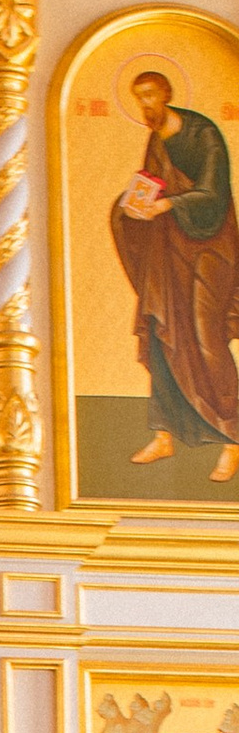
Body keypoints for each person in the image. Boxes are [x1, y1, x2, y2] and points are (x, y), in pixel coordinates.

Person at [114, 68, 239, 479]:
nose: (146, 105)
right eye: (139, 98)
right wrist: (133, 207)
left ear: (166, 93)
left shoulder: (202, 134)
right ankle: (164, 433)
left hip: (210, 248)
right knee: (159, 329)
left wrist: (166, 206)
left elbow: (212, 195)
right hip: (169, 248)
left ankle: (232, 438)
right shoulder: (156, 139)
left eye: (150, 95)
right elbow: (150, 184)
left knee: (206, 334)